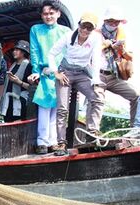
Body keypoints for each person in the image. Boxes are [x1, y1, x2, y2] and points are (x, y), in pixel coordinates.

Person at [48, 12, 103, 156]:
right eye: (83, 26)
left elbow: (96, 60)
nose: (85, 30)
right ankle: (61, 143)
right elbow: (51, 54)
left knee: (97, 98)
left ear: (93, 30)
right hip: (65, 72)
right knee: (62, 108)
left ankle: (92, 132)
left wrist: (95, 81)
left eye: (89, 28)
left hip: (82, 73)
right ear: (79, 25)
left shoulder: (96, 39)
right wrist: (56, 73)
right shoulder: (68, 36)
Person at [28, 1, 71, 154]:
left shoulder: (66, 31)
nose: (48, 16)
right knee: (44, 106)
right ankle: (41, 142)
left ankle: (53, 141)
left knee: (58, 108)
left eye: (51, 13)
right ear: (41, 15)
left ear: (58, 14)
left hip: (62, 73)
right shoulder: (36, 30)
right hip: (45, 71)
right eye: (45, 13)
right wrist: (36, 71)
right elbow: (34, 51)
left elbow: (69, 52)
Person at [89, 7, 140, 130]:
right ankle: (92, 133)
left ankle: (135, 129)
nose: (113, 24)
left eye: (116, 22)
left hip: (113, 75)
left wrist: (121, 50)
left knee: (136, 95)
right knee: (97, 100)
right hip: (97, 74)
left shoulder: (122, 34)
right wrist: (106, 45)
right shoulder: (95, 33)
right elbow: (86, 51)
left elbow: (130, 57)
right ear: (105, 20)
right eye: (111, 21)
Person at [0, 40, 33, 123]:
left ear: (24, 52)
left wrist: (19, 82)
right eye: (14, 50)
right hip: (8, 102)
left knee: (17, 126)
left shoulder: (28, 65)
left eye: (17, 50)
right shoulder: (13, 65)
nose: (14, 52)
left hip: (20, 102)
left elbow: (32, 88)